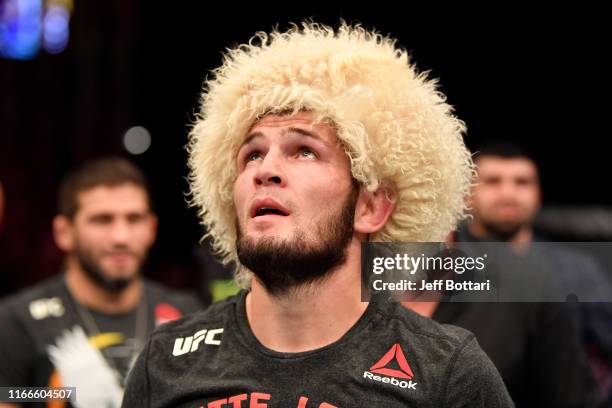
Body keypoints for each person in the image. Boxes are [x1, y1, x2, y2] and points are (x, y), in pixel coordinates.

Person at [122, 23, 513, 407]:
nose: (264, 170)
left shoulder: (447, 372)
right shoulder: (166, 360)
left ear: (371, 207)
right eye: (252, 154)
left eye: (304, 150)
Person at [408, 142, 605, 406]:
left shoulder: (575, 270)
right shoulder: (422, 267)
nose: (508, 193)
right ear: (465, 194)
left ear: (539, 193)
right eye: (492, 181)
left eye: (522, 182)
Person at [0, 157, 202, 408]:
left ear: (151, 228)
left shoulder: (190, 316)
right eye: (102, 220)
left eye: (134, 218)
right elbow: (11, 395)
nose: (121, 236)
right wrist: (57, 391)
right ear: (64, 233)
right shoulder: (15, 321)